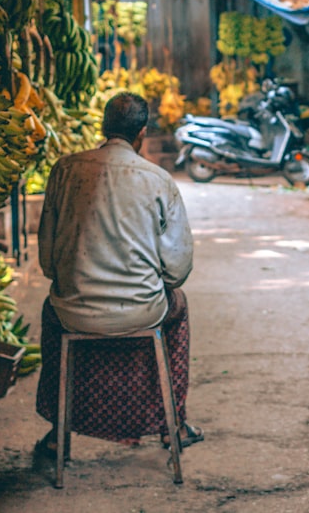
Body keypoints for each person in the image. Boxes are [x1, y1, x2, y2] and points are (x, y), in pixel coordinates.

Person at [33, 91, 203, 457]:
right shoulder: (159, 180)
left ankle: (57, 432)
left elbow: (47, 262)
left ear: (103, 127)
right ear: (141, 133)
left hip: (72, 312)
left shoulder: (65, 170)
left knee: (51, 312)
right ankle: (172, 424)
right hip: (143, 311)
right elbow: (177, 270)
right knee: (179, 306)